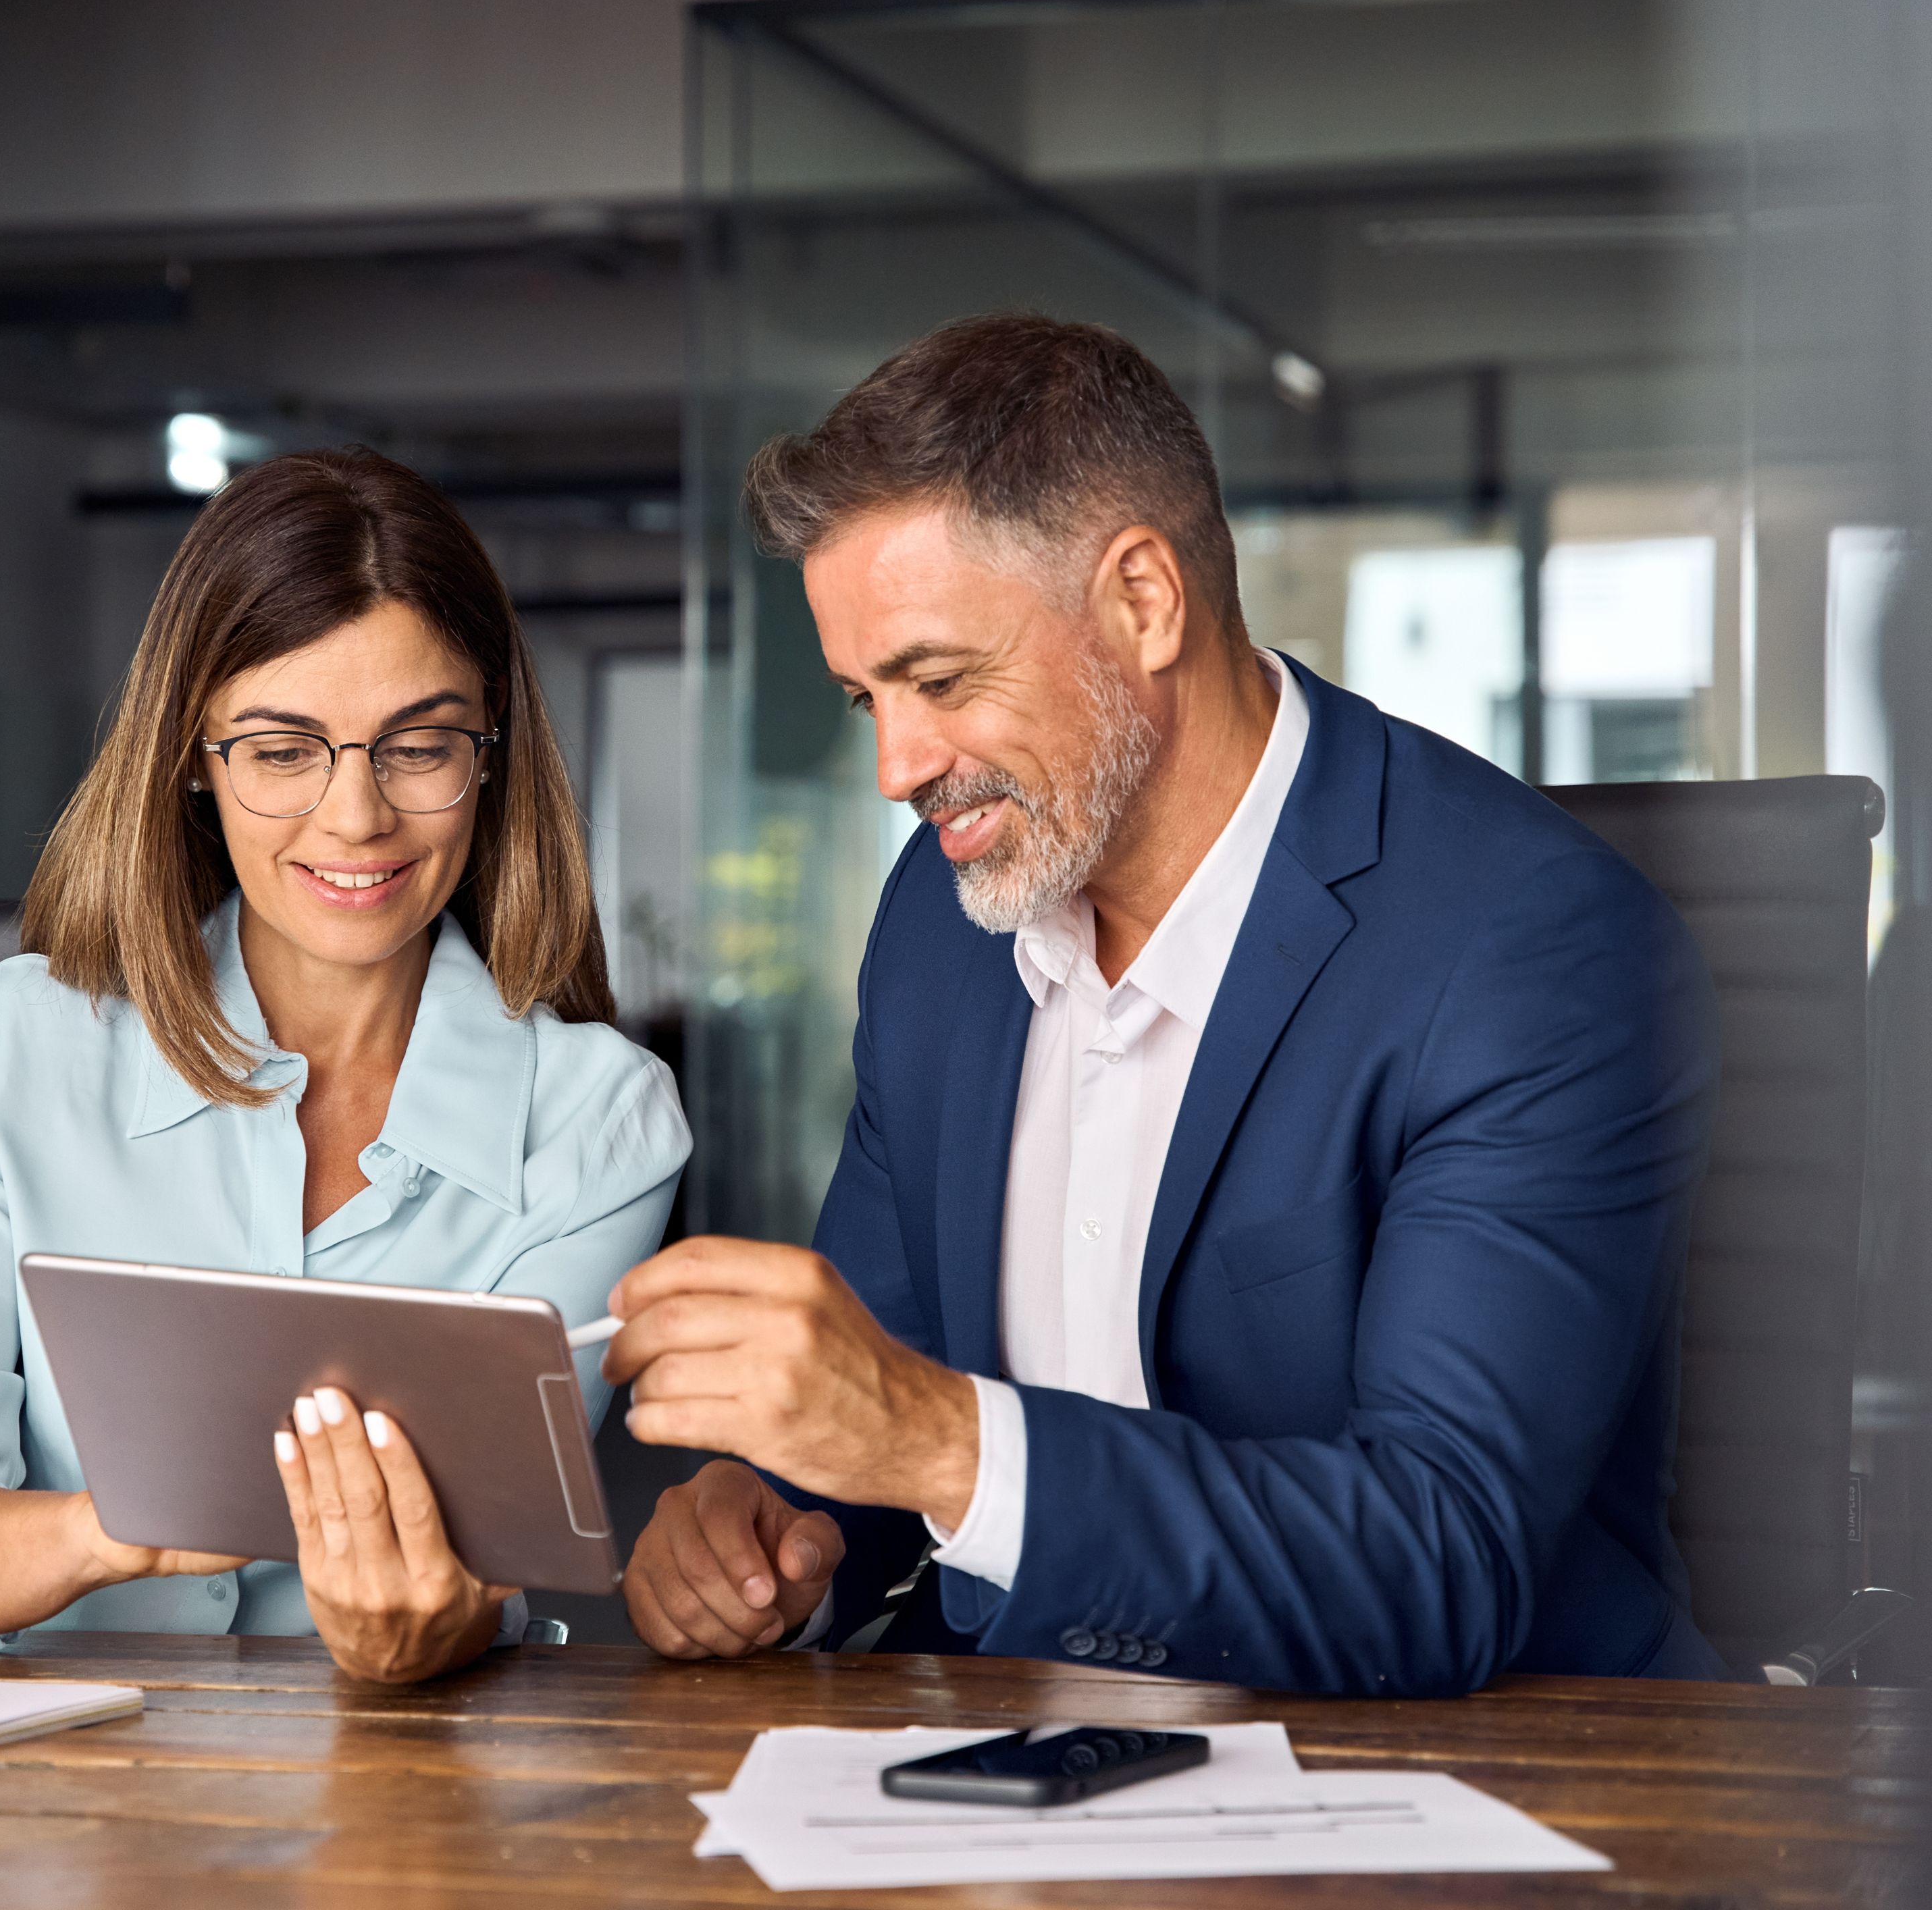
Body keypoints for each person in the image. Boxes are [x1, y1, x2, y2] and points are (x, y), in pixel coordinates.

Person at [605, 313, 1731, 1695]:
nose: (897, 765)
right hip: (1003, 1757)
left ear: (1143, 599)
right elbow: (883, 1395)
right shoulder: (941, 925)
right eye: (862, 700)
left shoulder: (1529, 952)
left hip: (1457, 1778)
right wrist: (774, 1531)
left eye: (940, 680)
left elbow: (1446, 1560)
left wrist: (944, 1445)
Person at [0, 448, 689, 1683]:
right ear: (194, 764)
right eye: (282, 750)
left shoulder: (600, 1122)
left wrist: (430, 1624)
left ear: (491, 754)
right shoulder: (21, 1050)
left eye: (418, 747)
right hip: (59, 1800)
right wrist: (119, 1528)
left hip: (405, 1793)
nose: (356, 816)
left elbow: (486, 1561)